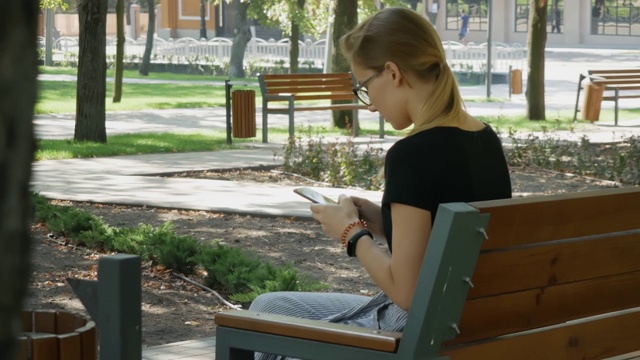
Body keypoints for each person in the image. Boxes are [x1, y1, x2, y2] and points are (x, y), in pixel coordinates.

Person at [248, 7, 512, 359]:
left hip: (419, 333)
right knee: (268, 305)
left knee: (262, 337)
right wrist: (381, 221)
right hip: (475, 323)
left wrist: (352, 234)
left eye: (365, 86)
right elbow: (450, 240)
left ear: (392, 73)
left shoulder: (412, 154)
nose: (370, 105)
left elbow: (407, 291)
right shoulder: (485, 139)